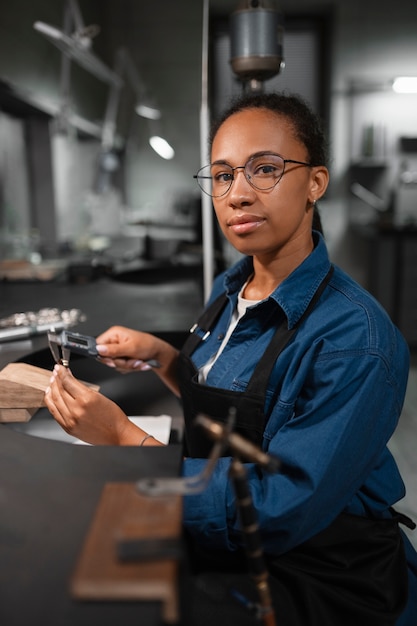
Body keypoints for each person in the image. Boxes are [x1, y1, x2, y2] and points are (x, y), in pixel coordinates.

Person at [44, 91, 417, 625]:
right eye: (222, 176)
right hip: (225, 538)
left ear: (316, 182)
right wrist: (164, 359)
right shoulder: (232, 286)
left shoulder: (354, 340)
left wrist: (123, 438)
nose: (237, 194)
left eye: (264, 169)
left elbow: (279, 508)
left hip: (317, 570)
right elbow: (237, 405)